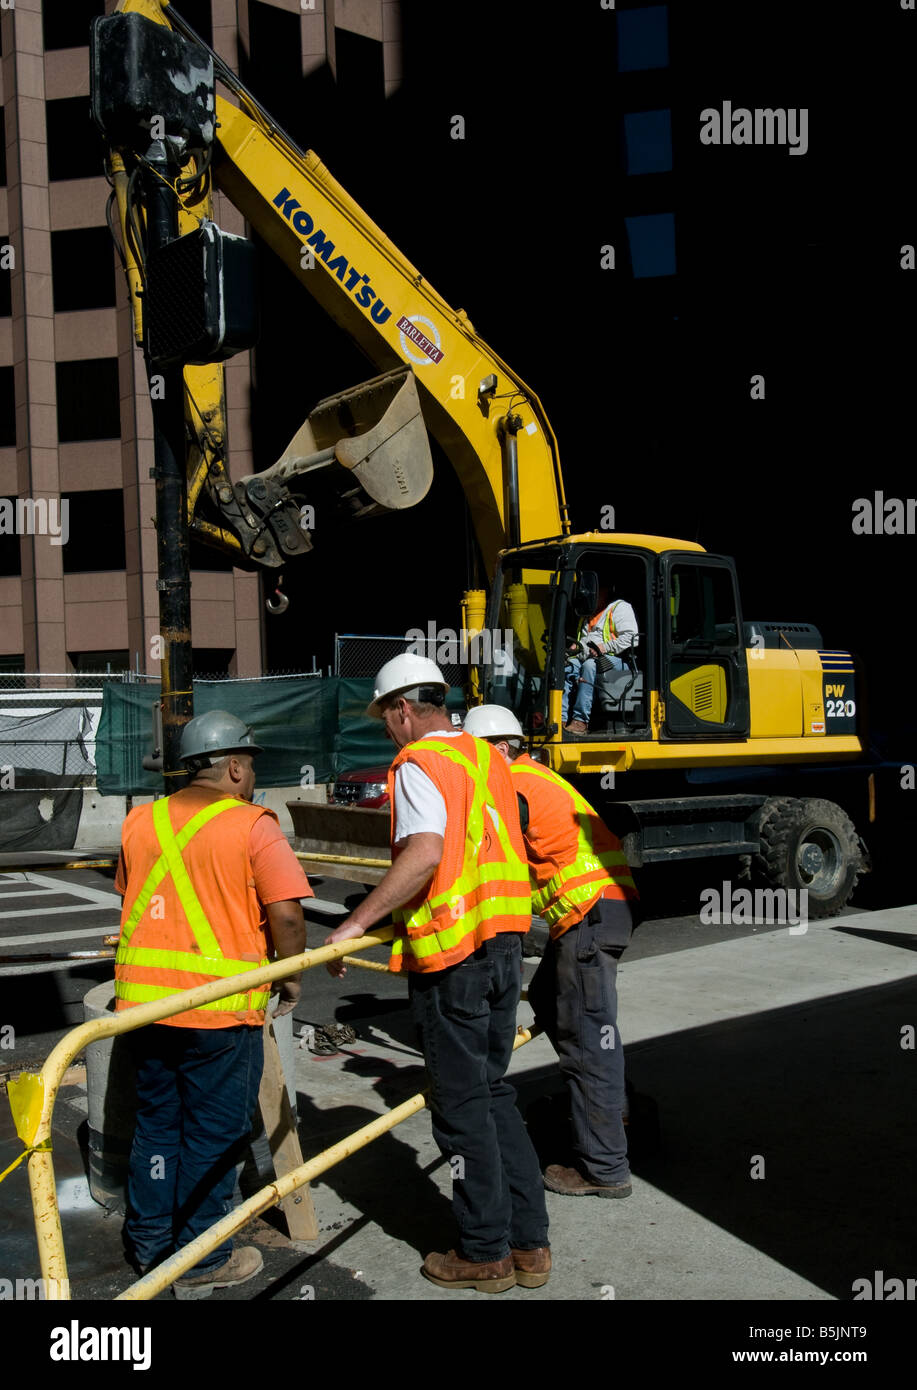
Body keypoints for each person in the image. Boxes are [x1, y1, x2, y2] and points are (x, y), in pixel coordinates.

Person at [324, 654, 550, 1292]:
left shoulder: (420, 763)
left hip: (456, 956)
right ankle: (530, 1244)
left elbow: (425, 854)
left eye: (386, 720)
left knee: (461, 1105)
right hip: (505, 945)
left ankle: (484, 1252)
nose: (388, 733)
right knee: (494, 1091)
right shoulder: (488, 759)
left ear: (402, 708)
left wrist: (354, 923)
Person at [114, 710, 311, 1298]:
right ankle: (200, 1261)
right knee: (213, 1134)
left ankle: (150, 1244)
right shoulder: (254, 826)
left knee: (156, 1126)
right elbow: (288, 916)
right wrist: (291, 977)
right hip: (220, 1015)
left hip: (145, 1009)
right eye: (248, 766)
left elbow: (133, 896)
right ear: (232, 765)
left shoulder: (139, 821)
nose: (251, 778)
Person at [463, 705, 639, 1198]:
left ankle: (604, 1168)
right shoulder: (536, 775)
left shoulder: (512, 785)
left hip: (588, 914)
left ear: (495, 749)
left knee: (585, 1038)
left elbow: (497, 859)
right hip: (603, 909)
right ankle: (615, 1110)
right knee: (555, 1001)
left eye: (473, 754)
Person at [563, 585, 638, 734]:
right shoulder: (588, 614)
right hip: (591, 656)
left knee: (590, 665)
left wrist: (604, 647)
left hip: (617, 660)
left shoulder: (620, 608)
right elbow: (586, 640)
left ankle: (580, 720)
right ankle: (561, 718)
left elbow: (631, 638)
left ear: (605, 591)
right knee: (568, 666)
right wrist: (573, 650)